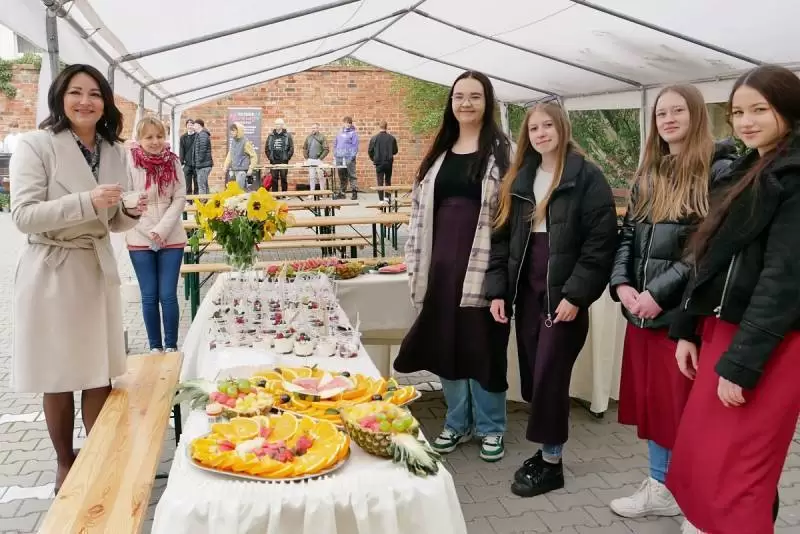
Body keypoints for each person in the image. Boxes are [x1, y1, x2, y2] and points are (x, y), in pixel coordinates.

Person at [667, 65, 800, 534]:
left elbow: (784, 280)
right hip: (726, 329)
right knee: (706, 460)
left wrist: (742, 363)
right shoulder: (748, 168)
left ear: (789, 109)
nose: (746, 121)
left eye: (759, 110)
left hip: (770, 341)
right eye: (738, 112)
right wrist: (687, 328)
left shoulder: (793, 176)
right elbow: (709, 259)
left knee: (739, 472)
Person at [9, 64, 147, 493]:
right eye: (75, 92)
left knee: (97, 371)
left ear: (105, 103)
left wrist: (130, 212)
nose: (85, 101)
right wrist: (86, 201)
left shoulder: (114, 150)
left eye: (95, 94)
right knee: (58, 373)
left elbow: (112, 220)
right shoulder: (35, 145)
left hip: (94, 267)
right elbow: (23, 216)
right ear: (60, 97)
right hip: (52, 270)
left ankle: (99, 456)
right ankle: (64, 462)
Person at [608, 85, 736, 519]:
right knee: (656, 407)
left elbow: (707, 248)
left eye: (677, 110)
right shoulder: (650, 172)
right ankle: (661, 487)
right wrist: (621, 284)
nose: (668, 119)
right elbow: (628, 234)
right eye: (661, 113)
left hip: (683, 316)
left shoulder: (719, 170)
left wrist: (657, 294)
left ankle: (695, 500)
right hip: (641, 313)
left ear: (696, 114)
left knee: (687, 412)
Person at [485, 98, 618, 497]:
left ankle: (552, 463)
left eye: (548, 125)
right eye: (534, 128)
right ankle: (545, 449)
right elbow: (501, 240)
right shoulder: (519, 178)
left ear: (562, 128)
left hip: (563, 293)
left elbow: (600, 244)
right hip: (528, 291)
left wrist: (576, 295)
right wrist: (498, 291)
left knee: (550, 375)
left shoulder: (587, 177)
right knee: (533, 372)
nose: (541, 133)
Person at [394, 71, 512, 463]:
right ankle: (457, 422)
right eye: (459, 96)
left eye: (475, 96)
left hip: (483, 266)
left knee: (484, 347)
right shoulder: (439, 153)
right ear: (451, 103)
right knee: (446, 344)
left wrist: (501, 277)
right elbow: (418, 211)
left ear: (487, 102)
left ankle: (491, 426)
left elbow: (511, 216)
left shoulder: (503, 153)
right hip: (441, 268)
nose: (466, 103)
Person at [126, 115, 187, 353]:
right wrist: (148, 230)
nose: (155, 141)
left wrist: (161, 229)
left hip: (171, 236)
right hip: (139, 237)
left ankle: (171, 346)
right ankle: (155, 347)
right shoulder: (130, 162)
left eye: (160, 136)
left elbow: (179, 197)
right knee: (149, 295)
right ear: (139, 139)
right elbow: (127, 199)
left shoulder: (173, 162)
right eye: (149, 137)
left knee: (168, 294)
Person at [368, 120, 399, 203]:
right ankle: (387, 198)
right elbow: (395, 151)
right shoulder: (391, 138)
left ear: (379, 127)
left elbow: (370, 151)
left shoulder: (374, 138)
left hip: (379, 162)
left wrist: (374, 159)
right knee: (388, 180)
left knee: (380, 181)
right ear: (386, 127)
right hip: (388, 162)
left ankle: (381, 200)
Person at [223, 122, 256, 191]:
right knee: (233, 190)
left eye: (233, 130)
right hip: (234, 170)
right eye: (231, 130)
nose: (231, 132)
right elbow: (230, 154)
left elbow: (254, 156)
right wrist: (225, 165)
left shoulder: (246, 142)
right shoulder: (234, 141)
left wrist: (251, 168)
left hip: (242, 171)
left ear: (239, 131)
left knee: (239, 191)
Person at [333, 116, 360, 199]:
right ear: (343, 123)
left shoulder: (353, 133)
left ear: (351, 124)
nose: (347, 124)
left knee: (352, 175)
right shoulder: (339, 133)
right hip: (340, 158)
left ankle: (354, 192)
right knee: (342, 176)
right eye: (346, 123)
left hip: (349, 158)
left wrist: (352, 156)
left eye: (349, 123)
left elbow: (355, 146)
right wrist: (335, 154)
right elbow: (335, 144)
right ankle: (342, 193)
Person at [266, 118, 294, 192]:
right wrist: (270, 157)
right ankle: (275, 194)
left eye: (278, 124)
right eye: (276, 124)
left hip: (283, 161)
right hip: (273, 161)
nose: (276, 125)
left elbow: (291, 148)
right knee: (274, 178)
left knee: (283, 178)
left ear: (282, 125)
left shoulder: (287, 136)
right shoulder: (271, 136)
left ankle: (284, 194)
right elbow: (266, 148)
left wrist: (287, 157)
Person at [303, 123, 329, 190]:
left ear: (318, 128)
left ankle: (322, 192)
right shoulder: (308, 137)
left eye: (314, 128)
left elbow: (326, 149)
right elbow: (305, 148)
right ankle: (312, 192)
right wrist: (306, 157)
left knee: (321, 177)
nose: (313, 129)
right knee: (312, 177)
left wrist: (320, 158)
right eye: (312, 128)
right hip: (310, 160)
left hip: (318, 160)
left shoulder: (322, 137)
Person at [192, 119, 212, 194]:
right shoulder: (199, 134)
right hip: (203, 165)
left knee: (201, 186)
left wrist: (199, 161)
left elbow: (202, 150)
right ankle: (207, 200)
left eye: (194, 125)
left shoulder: (203, 135)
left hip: (203, 165)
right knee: (204, 185)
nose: (193, 126)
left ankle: (202, 201)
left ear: (199, 125)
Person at [179, 118, 197, 197]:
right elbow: (181, 151)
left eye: (192, 125)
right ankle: (189, 201)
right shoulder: (183, 137)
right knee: (187, 185)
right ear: (186, 126)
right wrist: (181, 163)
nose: (190, 126)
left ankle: (196, 201)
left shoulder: (197, 136)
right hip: (187, 164)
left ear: (194, 126)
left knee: (197, 184)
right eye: (188, 125)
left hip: (196, 164)